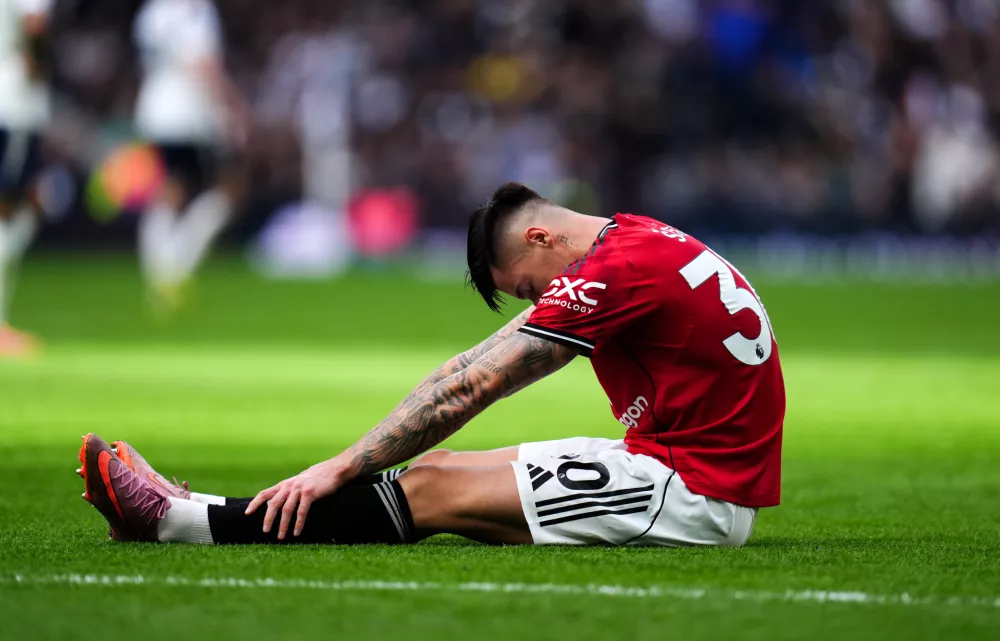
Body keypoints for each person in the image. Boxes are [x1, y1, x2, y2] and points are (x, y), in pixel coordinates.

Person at [78, 183, 785, 547]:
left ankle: (176, 523)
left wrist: (344, 463)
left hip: (693, 496)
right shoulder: (630, 242)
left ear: (539, 236)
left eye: (531, 287)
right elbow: (468, 362)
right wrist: (354, 455)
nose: (541, 299)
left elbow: (477, 386)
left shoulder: (612, 271)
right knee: (434, 474)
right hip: (668, 463)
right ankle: (194, 506)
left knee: (435, 491)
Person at [132, 0, 250, 312]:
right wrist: (230, 107)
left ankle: (160, 271)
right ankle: (174, 267)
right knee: (228, 188)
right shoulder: (196, 11)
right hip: (191, 114)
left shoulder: (152, 11)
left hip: (154, 108)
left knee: (169, 190)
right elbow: (203, 65)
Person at [0, 0, 51, 356]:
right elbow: (34, 21)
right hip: (13, 101)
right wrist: (36, 70)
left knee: (22, 210)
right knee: (9, 209)